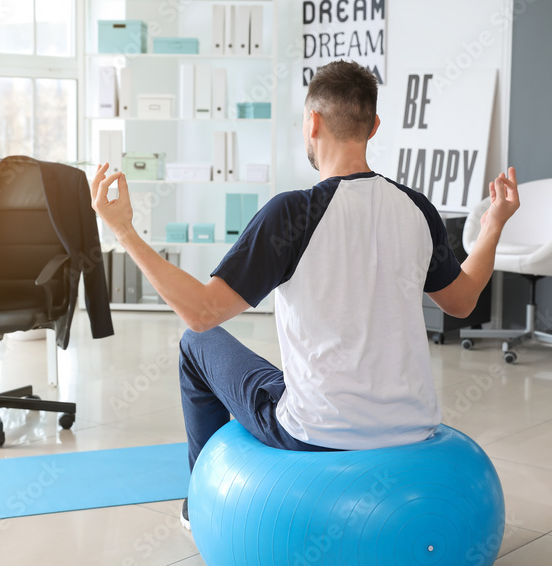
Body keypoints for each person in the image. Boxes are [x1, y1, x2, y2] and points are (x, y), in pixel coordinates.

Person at [90, 59, 520, 531]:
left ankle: (200, 504)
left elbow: (201, 313)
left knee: (196, 346)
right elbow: (462, 302)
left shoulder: (293, 214)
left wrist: (124, 230)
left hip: (317, 434)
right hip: (412, 428)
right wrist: (494, 225)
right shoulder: (417, 208)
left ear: (311, 122)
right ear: (374, 126)